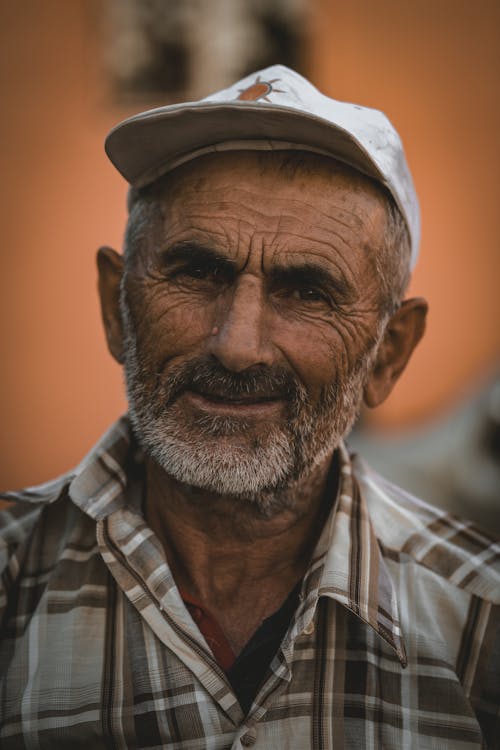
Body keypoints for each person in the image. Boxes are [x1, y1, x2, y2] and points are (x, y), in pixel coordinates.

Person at [0, 65, 498, 749]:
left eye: (307, 291)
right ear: (117, 307)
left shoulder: (482, 625)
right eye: (198, 272)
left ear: (389, 354)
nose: (238, 347)